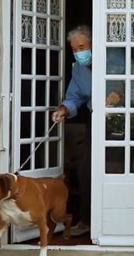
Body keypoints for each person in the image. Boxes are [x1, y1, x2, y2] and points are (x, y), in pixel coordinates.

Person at [52, 25, 121, 236]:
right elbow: (75, 96)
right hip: (96, 122)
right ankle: (87, 220)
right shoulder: (78, 68)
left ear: (93, 43)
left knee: (115, 171)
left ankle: (117, 222)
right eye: (74, 49)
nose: (78, 52)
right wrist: (64, 109)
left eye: (82, 46)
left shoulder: (116, 58)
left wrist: (121, 94)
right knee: (85, 170)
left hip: (122, 122)